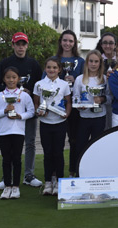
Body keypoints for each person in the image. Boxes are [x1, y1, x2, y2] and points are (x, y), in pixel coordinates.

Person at [0, 32, 43, 189]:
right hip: (10, 110)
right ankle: (7, 177)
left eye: (23, 44)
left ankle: (29, 175)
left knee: (30, 142)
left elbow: (39, 86)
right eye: (18, 44)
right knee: (10, 145)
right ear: (13, 45)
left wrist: (27, 93)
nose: (21, 47)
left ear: (27, 45)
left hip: (27, 108)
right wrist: (10, 93)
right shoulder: (5, 63)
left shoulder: (33, 64)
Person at [0, 67, 35, 199]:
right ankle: (7, 186)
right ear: (4, 79)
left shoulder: (24, 95)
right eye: (8, 77)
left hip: (18, 132)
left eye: (14, 77)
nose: (11, 80)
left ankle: (15, 187)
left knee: (16, 159)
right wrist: (4, 111)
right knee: (6, 159)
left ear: (18, 79)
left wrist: (20, 116)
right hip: (4, 132)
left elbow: (31, 112)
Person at [33, 57, 72, 196]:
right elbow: (36, 102)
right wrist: (39, 112)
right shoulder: (39, 84)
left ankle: (59, 182)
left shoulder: (64, 84)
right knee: (48, 153)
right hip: (45, 124)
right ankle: (48, 181)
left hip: (60, 123)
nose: (52, 70)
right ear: (45, 69)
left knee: (58, 153)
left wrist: (67, 114)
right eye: (49, 67)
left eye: (55, 68)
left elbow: (68, 102)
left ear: (59, 69)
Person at [53, 30, 85, 178]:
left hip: (76, 106)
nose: (67, 43)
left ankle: (74, 171)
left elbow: (86, 81)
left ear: (74, 43)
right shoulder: (53, 60)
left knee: (75, 140)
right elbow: (44, 82)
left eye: (71, 41)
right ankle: (54, 174)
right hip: (57, 106)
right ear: (60, 41)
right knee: (57, 142)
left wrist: (76, 79)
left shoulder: (81, 61)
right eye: (65, 40)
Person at [72, 50, 110, 173]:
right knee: (80, 146)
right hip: (84, 117)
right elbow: (75, 97)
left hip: (100, 116)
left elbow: (110, 97)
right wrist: (79, 106)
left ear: (100, 63)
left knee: (97, 147)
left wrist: (102, 99)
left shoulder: (104, 79)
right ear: (87, 63)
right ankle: (80, 172)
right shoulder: (79, 79)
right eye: (91, 61)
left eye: (96, 61)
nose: (93, 64)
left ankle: (96, 171)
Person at [95, 32, 118, 130]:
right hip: (101, 100)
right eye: (105, 43)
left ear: (115, 45)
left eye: (111, 43)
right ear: (101, 44)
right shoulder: (95, 60)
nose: (108, 46)